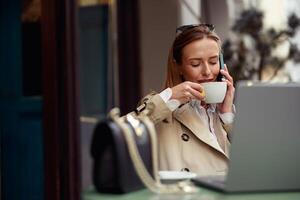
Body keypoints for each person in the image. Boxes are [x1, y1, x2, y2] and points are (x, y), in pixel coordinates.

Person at [137, 24, 235, 176]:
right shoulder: (161, 107)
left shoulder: (223, 112)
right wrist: (170, 97)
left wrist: (227, 115)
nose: (207, 72)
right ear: (178, 67)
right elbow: (122, 132)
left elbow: (252, 161)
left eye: (214, 62)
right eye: (195, 64)